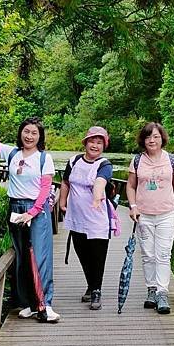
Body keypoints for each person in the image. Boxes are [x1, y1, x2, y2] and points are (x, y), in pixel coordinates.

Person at [0, 97, 60, 323]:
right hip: (15, 207)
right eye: (26, 131)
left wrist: (33, 212)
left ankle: (44, 305)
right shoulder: (11, 153)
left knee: (39, 256)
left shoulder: (44, 159)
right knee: (20, 258)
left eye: (34, 133)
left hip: (36, 211)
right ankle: (27, 303)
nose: (29, 136)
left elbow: (45, 189)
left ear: (40, 137)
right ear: (21, 133)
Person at [126, 122, 174, 314]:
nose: (151, 140)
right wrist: (133, 206)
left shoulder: (172, 160)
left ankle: (162, 292)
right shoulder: (137, 161)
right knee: (148, 254)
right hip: (143, 215)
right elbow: (130, 186)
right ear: (143, 140)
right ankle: (151, 290)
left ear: (162, 138)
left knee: (163, 254)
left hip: (166, 214)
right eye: (148, 137)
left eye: (155, 136)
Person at [59, 126, 114, 311]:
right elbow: (66, 182)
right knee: (82, 253)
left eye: (99, 142)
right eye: (92, 141)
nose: (95, 145)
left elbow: (101, 181)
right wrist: (62, 202)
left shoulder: (104, 164)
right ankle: (91, 286)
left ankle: (97, 290)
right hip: (76, 217)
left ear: (103, 146)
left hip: (98, 218)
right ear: (85, 143)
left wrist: (98, 197)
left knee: (97, 256)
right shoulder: (74, 161)